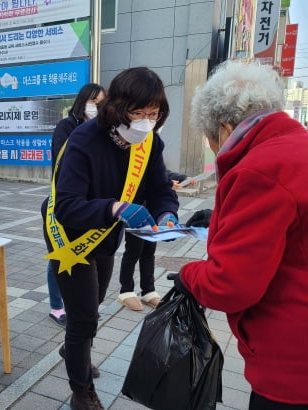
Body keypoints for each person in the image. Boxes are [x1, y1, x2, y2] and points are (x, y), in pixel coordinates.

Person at [171, 60, 308, 409]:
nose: (214, 148)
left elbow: (229, 285)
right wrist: (222, 219)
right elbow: (303, 229)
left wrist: (187, 276)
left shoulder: (259, 168)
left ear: (224, 128)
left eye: (211, 140)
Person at [43, 67, 179, 409]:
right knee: (83, 317)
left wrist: (167, 213)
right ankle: (81, 390)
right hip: (70, 235)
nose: (147, 122)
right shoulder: (84, 139)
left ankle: (73, 350)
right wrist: (115, 208)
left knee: (94, 305)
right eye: (139, 112)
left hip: (105, 235)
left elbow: (161, 188)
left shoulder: (150, 142)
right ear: (117, 107)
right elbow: (67, 206)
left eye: (154, 114)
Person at [47, 83, 106, 327]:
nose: (97, 108)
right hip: (65, 199)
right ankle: (57, 305)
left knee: (85, 255)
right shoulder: (67, 126)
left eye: (101, 103)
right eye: (93, 102)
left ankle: (82, 306)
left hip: (92, 203)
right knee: (59, 254)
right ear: (82, 102)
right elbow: (65, 162)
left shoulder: (104, 129)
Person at [117, 170, 194, 311]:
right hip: (135, 214)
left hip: (153, 214)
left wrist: (183, 178)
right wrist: (165, 184)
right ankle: (126, 290)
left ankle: (148, 291)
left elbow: (163, 172)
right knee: (133, 252)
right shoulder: (133, 158)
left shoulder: (151, 155)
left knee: (149, 252)